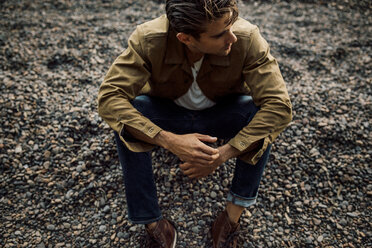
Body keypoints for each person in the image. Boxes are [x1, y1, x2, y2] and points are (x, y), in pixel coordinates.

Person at [98, 0, 292, 247]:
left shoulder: (246, 37)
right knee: (129, 115)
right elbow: (109, 98)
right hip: (169, 115)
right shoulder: (149, 38)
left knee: (260, 115)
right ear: (186, 38)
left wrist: (222, 154)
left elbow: (279, 106)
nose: (231, 37)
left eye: (231, 25)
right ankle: (152, 223)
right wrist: (169, 141)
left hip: (222, 114)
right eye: (220, 34)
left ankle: (232, 215)